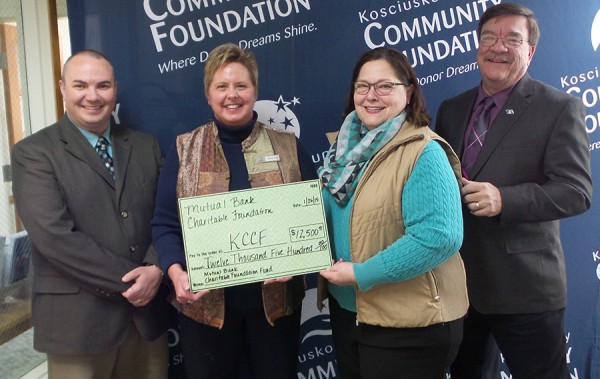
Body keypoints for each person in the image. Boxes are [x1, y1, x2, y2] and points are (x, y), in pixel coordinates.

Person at [434, 3, 592, 378]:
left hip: (526, 289)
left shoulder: (559, 108)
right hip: (461, 287)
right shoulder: (451, 109)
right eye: (489, 37)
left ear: (530, 50)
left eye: (512, 39)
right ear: (476, 46)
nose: (498, 47)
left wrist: (505, 199)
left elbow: (576, 191)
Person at [151, 43, 317, 379]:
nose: (232, 95)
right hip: (206, 311)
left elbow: (315, 215)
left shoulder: (287, 146)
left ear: (254, 91)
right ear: (208, 94)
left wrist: (298, 259)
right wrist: (174, 271)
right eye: (222, 86)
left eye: (241, 85)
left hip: (276, 308)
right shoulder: (185, 149)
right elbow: (165, 223)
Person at [11, 49, 169, 379]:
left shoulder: (145, 145)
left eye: (103, 85)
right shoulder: (33, 153)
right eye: (80, 85)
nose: (93, 96)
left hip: (145, 323)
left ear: (115, 89)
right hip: (77, 326)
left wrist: (156, 267)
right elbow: (55, 239)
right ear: (62, 88)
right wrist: (135, 281)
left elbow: (166, 214)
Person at [317, 47, 468, 379]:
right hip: (350, 314)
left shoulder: (423, 151)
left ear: (409, 91)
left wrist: (362, 274)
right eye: (362, 86)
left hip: (409, 325)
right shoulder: (343, 151)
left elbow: (439, 237)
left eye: (385, 86)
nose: (372, 96)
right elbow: (321, 221)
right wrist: (288, 258)